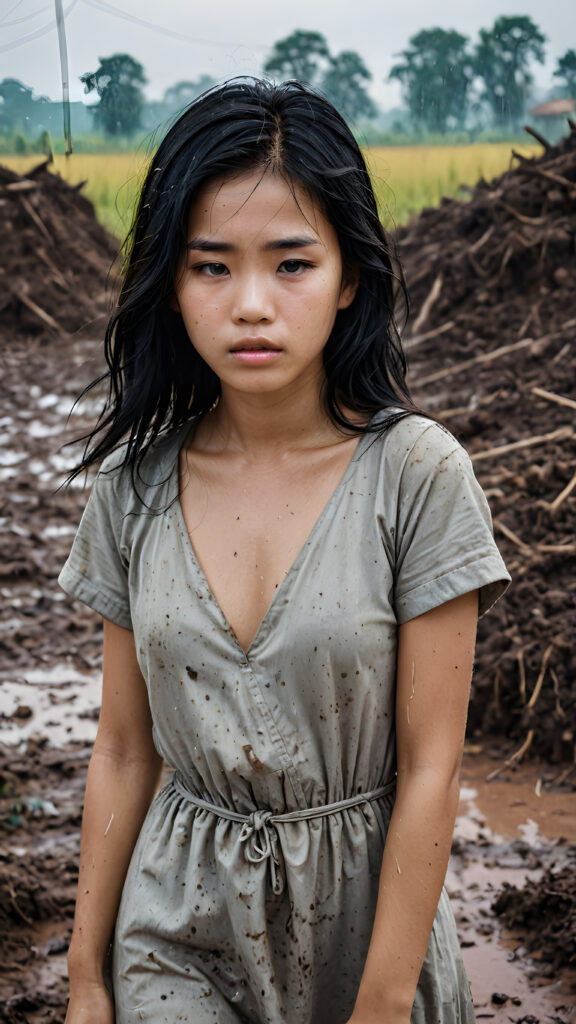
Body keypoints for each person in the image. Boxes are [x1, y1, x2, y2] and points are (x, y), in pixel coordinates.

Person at [59, 78, 510, 1024]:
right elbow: (126, 748)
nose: (251, 304)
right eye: (212, 267)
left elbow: (433, 771)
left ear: (349, 277)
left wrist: (384, 1006)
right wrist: (86, 975)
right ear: (172, 286)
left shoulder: (415, 478)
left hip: (368, 935)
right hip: (178, 928)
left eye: (292, 264)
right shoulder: (133, 489)